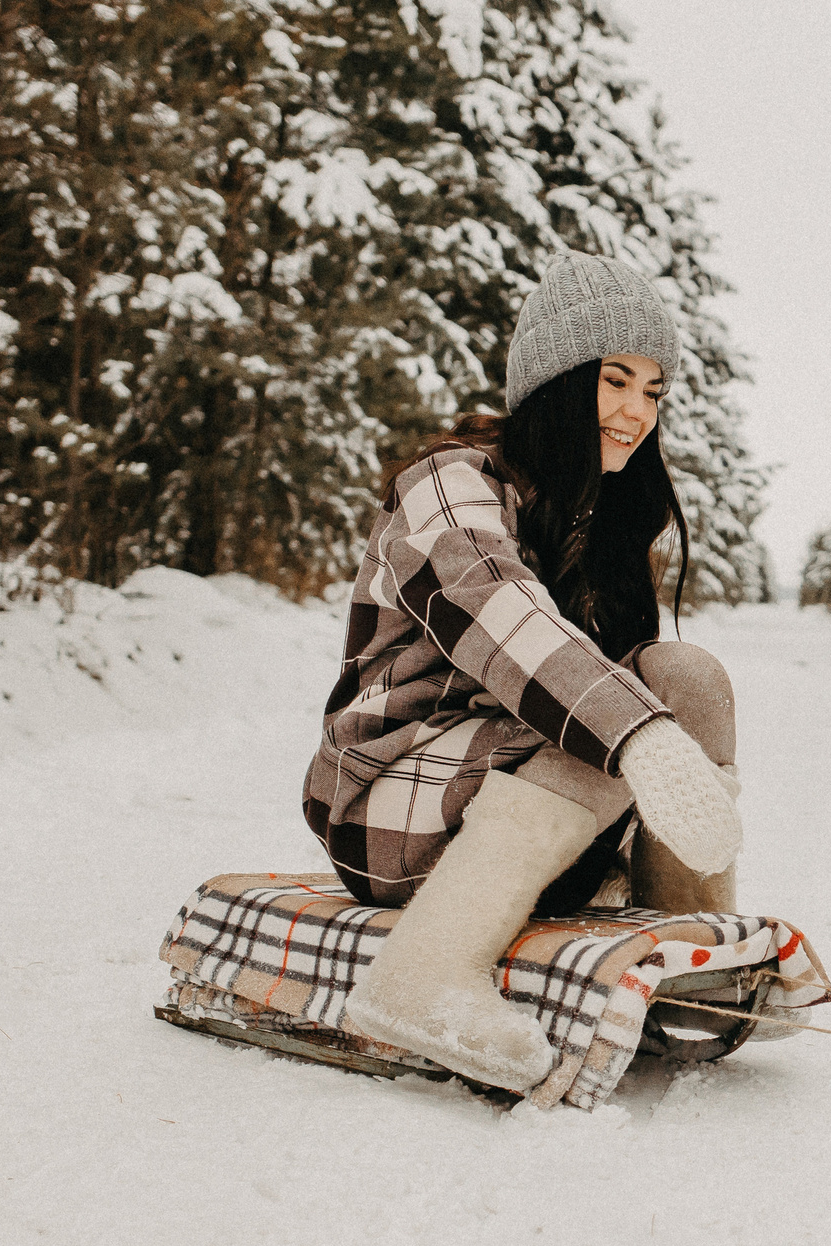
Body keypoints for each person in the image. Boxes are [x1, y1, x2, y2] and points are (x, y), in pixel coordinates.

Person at [302, 251, 745, 1093]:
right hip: (386, 800)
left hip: (501, 802)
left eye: (654, 390)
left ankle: (685, 946)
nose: (635, 411)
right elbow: (499, 613)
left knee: (683, 673)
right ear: (557, 381)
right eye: (615, 379)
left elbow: (626, 674)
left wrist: (656, 723)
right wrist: (638, 735)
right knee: (609, 713)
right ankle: (421, 976)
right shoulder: (448, 483)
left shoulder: (591, 517)